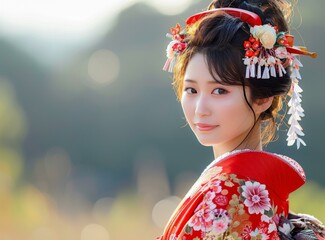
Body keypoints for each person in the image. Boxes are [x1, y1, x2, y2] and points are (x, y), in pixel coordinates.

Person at [158, 0, 325, 239]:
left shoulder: (229, 194)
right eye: (191, 90)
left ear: (263, 98)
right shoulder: (253, 187)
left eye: (219, 91)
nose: (200, 109)